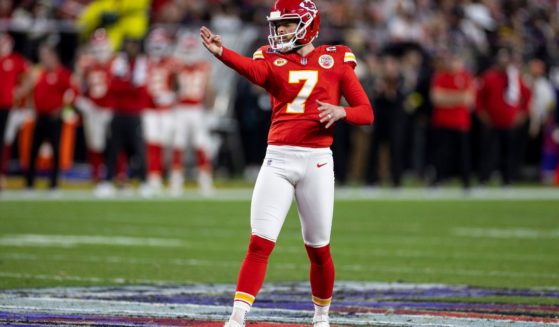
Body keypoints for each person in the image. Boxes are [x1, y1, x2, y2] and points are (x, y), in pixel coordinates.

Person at [200, 0, 374, 325]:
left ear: (308, 24)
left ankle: (321, 317)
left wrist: (342, 111)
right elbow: (253, 71)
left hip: (317, 162)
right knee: (259, 243)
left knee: (319, 248)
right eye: (277, 24)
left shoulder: (335, 59)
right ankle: (237, 318)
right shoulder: (270, 58)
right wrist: (222, 53)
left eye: (287, 24)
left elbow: (366, 111)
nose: (279, 30)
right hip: (278, 159)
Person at [95, 36, 150, 197]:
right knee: (112, 150)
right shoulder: (118, 64)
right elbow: (112, 87)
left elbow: (140, 91)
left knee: (138, 150)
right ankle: (107, 181)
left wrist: (125, 85)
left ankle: (143, 182)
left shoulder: (141, 64)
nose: (131, 49)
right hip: (118, 113)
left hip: (134, 114)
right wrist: (128, 85)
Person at [26, 42, 77, 190]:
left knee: (56, 150)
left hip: (54, 118)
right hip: (39, 117)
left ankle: (54, 183)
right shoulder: (39, 73)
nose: (44, 60)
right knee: (33, 150)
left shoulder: (63, 74)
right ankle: (29, 182)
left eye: (47, 56)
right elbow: (31, 92)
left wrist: (62, 109)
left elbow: (72, 93)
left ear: (54, 57)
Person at [476, 47, 531, 186]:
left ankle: (507, 180)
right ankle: (483, 179)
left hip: (510, 122)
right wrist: (482, 113)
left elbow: (527, 95)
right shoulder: (488, 77)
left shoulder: (515, 77)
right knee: (488, 152)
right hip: (492, 121)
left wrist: (523, 113)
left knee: (509, 153)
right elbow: (479, 98)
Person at [172, 31, 215, 196]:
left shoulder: (204, 66)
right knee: (178, 143)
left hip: (197, 109)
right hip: (181, 108)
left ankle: (204, 178)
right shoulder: (177, 66)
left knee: (200, 143)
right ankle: (177, 179)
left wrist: (209, 109)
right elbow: (173, 88)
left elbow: (209, 88)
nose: (189, 55)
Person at [429, 50, 475, 189]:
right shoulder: (440, 76)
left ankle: (466, 182)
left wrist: (447, 97)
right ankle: (438, 181)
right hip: (442, 122)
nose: (453, 64)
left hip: (461, 123)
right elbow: (436, 98)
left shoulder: (466, 76)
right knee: (441, 154)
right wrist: (458, 97)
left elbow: (469, 99)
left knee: (463, 155)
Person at [74, 29, 114, 183]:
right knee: (95, 144)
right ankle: (96, 174)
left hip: (112, 108)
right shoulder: (85, 63)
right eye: (97, 47)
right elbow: (77, 83)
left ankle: (118, 174)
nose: (100, 51)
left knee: (115, 144)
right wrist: (80, 101)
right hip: (93, 108)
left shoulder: (117, 61)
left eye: (102, 47)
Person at [143, 28, 176, 193]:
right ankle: (153, 176)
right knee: (152, 143)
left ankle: (165, 175)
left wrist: (171, 94)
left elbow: (179, 84)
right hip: (149, 109)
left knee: (166, 144)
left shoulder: (172, 62)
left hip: (166, 109)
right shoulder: (144, 62)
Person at [0, 32, 31, 190]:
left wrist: (19, 92)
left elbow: (28, 77)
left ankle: (2, 175)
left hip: (6, 105)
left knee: (4, 140)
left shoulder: (15, 60)